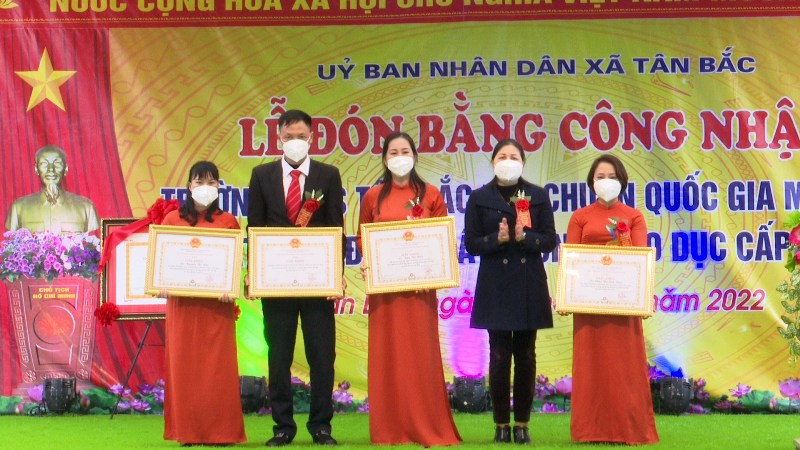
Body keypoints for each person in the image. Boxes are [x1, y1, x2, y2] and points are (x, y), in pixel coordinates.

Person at [357, 131, 461, 446]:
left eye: (405, 151)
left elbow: (442, 238)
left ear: (414, 156)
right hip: (385, 292)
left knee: (420, 355)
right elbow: (363, 236)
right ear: (384, 158)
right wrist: (368, 259)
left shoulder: (431, 194)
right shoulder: (373, 196)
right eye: (393, 152)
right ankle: (390, 429)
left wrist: (431, 268)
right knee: (388, 355)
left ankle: (426, 424)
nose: (399, 157)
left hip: (420, 291)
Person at [247, 109, 343, 447]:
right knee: (279, 357)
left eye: (301, 136)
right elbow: (254, 228)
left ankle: (321, 426)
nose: (295, 142)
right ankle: (283, 427)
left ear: (312, 138)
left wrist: (336, 276)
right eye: (289, 137)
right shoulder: (262, 175)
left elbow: (336, 227)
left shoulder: (328, 175)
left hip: (318, 282)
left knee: (322, 357)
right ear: (279, 138)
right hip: (276, 282)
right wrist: (254, 273)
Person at [463, 139, 557, 445]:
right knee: (499, 355)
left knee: (526, 355)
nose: (507, 161)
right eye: (502, 156)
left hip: (529, 283)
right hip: (496, 285)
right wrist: (497, 239)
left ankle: (523, 424)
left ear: (523, 162)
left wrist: (526, 238)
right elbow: (471, 243)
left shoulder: (537, 195)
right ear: (492, 162)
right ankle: (501, 424)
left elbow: (550, 240)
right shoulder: (479, 197)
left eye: (513, 156)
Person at [565, 154, 659, 445]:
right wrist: (566, 294)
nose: (606, 182)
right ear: (591, 182)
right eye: (600, 177)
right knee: (591, 367)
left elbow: (640, 257)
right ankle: (590, 430)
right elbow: (571, 258)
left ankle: (628, 429)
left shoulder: (634, 216)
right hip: (589, 304)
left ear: (622, 181)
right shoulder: (580, 216)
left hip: (623, 303)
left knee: (624, 368)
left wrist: (644, 295)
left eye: (612, 177)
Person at [161, 161, 246, 446]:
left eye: (211, 182)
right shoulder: (172, 220)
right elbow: (162, 260)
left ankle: (223, 432)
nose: (205, 187)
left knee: (218, 369)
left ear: (219, 187)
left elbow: (235, 262)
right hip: (182, 307)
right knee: (185, 368)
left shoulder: (228, 221)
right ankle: (188, 432)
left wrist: (231, 286)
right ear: (189, 186)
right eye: (199, 182)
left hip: (217, 308)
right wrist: (161, 281)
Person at [5, 145, 99, 233]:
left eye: (57, 163)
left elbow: (95, 241)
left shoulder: (86, 208)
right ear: (36, 169)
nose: (51, 169)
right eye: (44, 164)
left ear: (65, 169)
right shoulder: (18, 207)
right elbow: (11, 243)